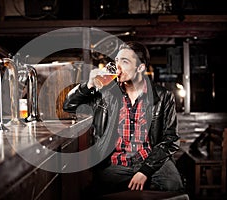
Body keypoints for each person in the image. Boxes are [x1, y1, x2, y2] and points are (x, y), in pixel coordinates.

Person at [63, 41, 184, 197]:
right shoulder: (105, 92)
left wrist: (145, 171)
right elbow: (69, 105)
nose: (118, 67)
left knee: (174, 187)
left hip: (151, 161)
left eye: (125, 62)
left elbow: (171, 139)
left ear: (140, 68)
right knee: (93, 192)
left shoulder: (163, 96)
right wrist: (88, 85)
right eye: (117, 61)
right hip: (116, 163)